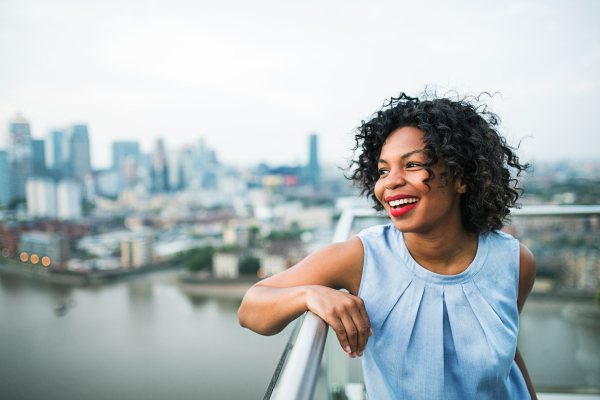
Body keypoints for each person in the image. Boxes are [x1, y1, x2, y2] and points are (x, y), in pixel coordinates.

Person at [238, 92, 537, 399]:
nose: (389, 182)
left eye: (412, 164)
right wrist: (309, 294)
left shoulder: (515, 262)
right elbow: (250, 309)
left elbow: (509, 354)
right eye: (383, 170)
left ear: (462, 177)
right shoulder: (363, 257)